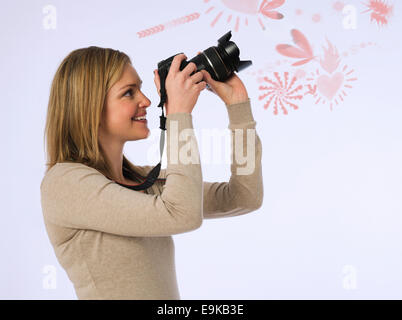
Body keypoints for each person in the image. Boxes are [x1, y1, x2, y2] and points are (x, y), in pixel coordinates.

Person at [40, 46, 263, 300]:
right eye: (128, 93)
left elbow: (243, 197)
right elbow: (182, 214)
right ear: (89, 106)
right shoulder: (65, 184)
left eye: (141, 89)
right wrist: (178, 115)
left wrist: (238, 106)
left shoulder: (142, 182)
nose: (146, 100)